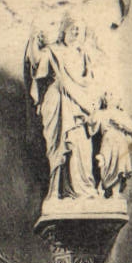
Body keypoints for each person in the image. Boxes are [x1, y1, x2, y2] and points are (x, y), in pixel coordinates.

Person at [28, 15, 101, 203]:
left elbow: (90, 82)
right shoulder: (53, 51)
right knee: (59, 147)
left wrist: (88, 100)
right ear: (64, 30)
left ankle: (82, 191)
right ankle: (56, 191)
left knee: (80, 148)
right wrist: (33, 40)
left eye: (79, 30)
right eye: (73, 28)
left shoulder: (83, 54)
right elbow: (37, 64)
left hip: (79, 106)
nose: (76, 33)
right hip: (58, 102)